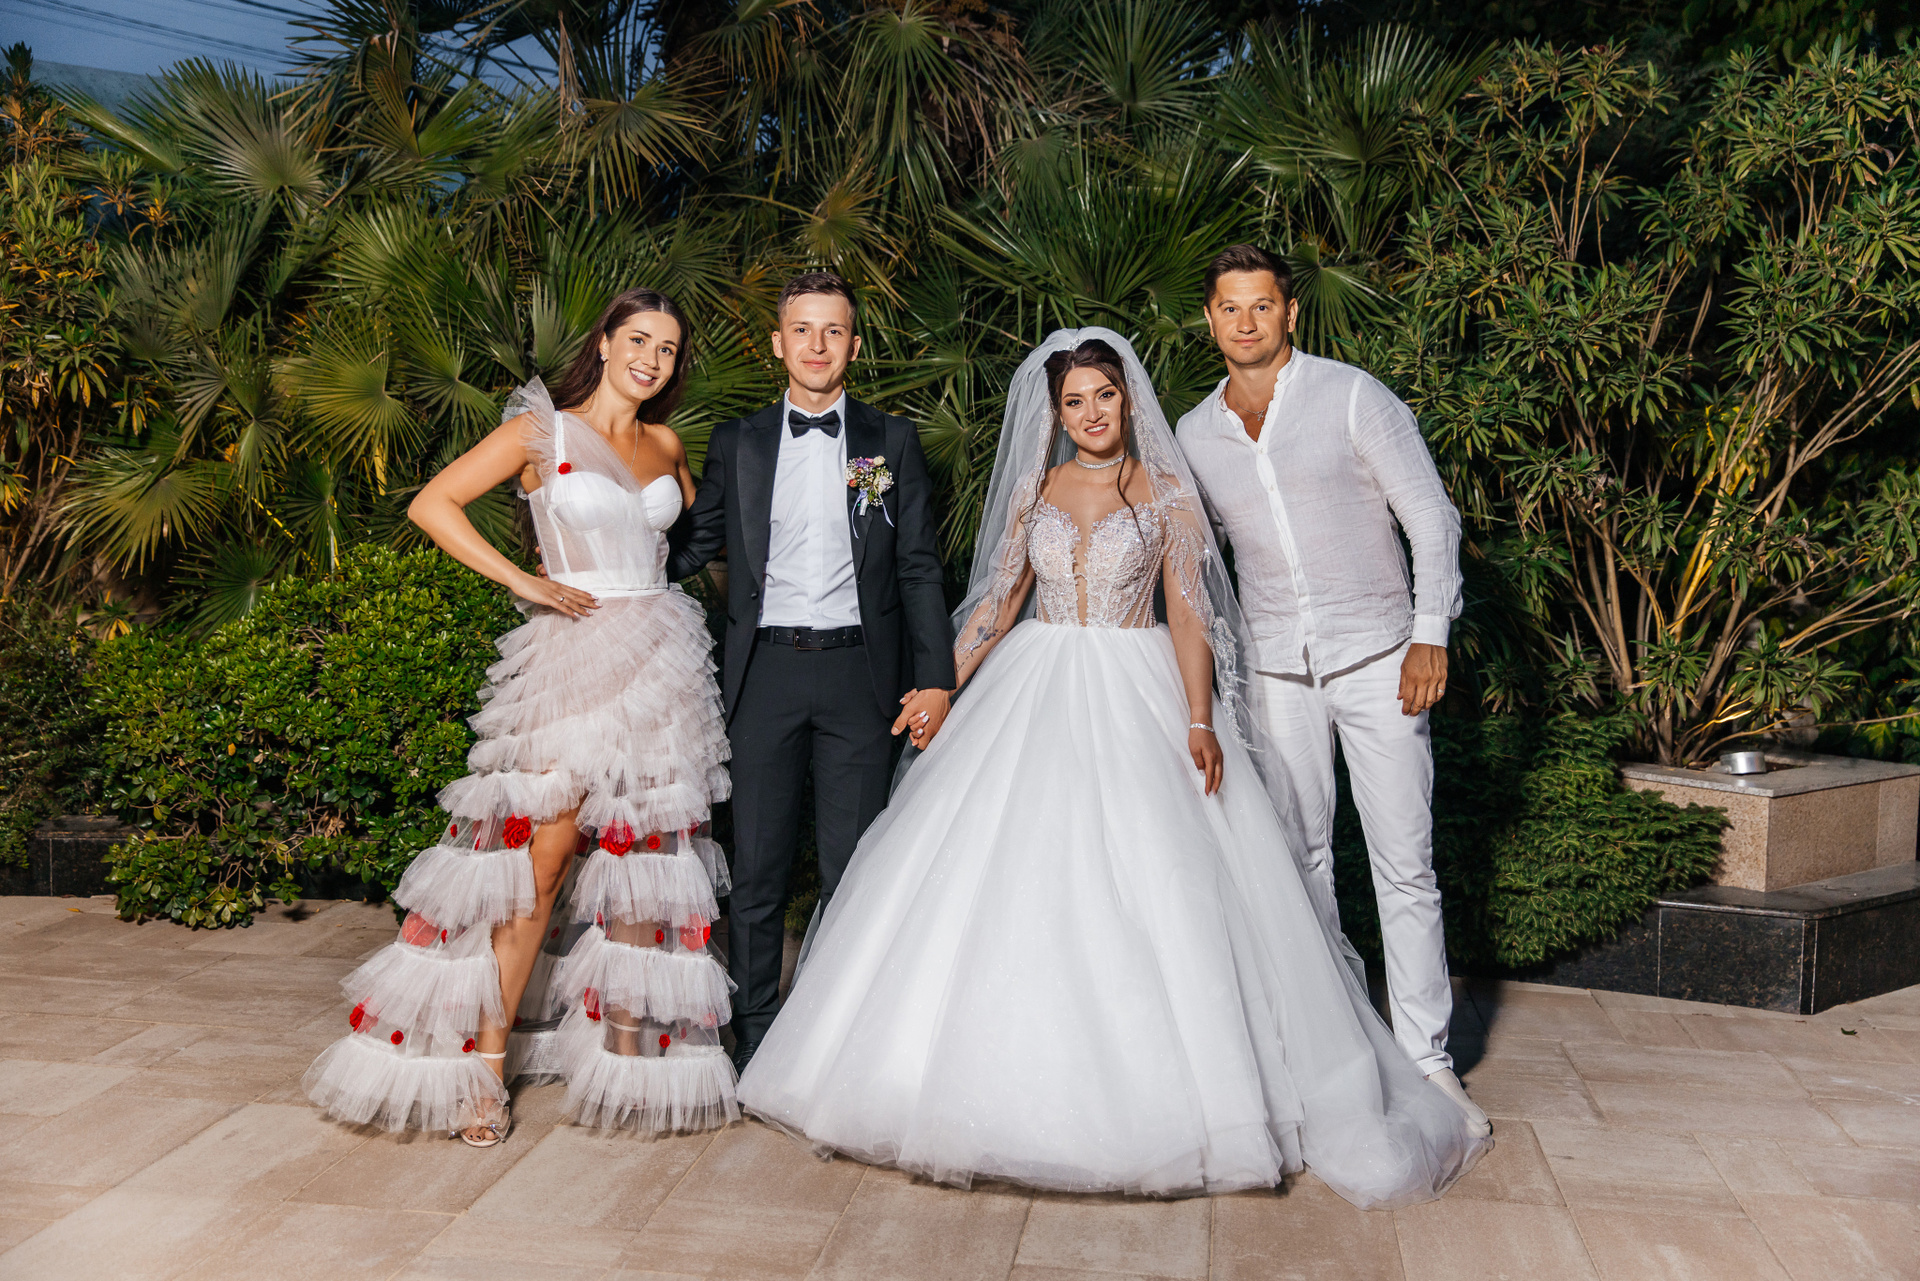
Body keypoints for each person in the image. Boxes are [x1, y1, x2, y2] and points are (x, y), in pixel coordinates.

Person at [735, 329, 1489, 1207]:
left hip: (1140, 685)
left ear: (1128, 401)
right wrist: (943, 685)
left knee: (1157, 882)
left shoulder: (1168, 492)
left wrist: (1199, 718)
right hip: (1035, 685)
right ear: (1055, 415)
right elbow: (998, 603)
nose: (1091, 413)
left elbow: (1189, 612)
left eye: (1104, 395)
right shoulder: (1035, 488)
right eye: (1074, 402)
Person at [304, 288, 737, 1146]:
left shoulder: (667, 444)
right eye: (638, 339)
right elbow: (433, 503)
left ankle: (628, 1066)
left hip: (660, 658)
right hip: (572, 653)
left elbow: (700, 541)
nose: (651, 359)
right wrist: (523, 579)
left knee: (644, 863)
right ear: (605, 342)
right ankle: (484, 1072)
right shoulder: (542, 431)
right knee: (538, 862)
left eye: (667, 348)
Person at [1174, 244, 1487, 1137]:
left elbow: (1430, 516)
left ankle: (1427, 1060)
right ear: (1210, 319)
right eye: (1230, 307)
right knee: (1301, 862)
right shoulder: (1194, 433)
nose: (1246, 322)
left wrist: (1430, 634)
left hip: (1381, 657)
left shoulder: (1353, 395)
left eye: (1261, 306)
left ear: (1290, 312)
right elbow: (1189, 557)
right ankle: (1334, 1051)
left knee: (1404, 863)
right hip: (1276, 668)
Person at [666, 272, 955, 1075]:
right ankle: (757, 1037)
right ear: (777, 342)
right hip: (762, 676)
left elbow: (918, 565)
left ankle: (836, 1043)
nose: (817, 345)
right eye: (802, 329)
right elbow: (694, 545)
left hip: (863, 678)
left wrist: (938, 677)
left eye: (833, 331)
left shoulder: (888, 442)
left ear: (854, 345)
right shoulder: (739, 442)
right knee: (757, 870)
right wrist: (610, 538)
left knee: (852, 870)